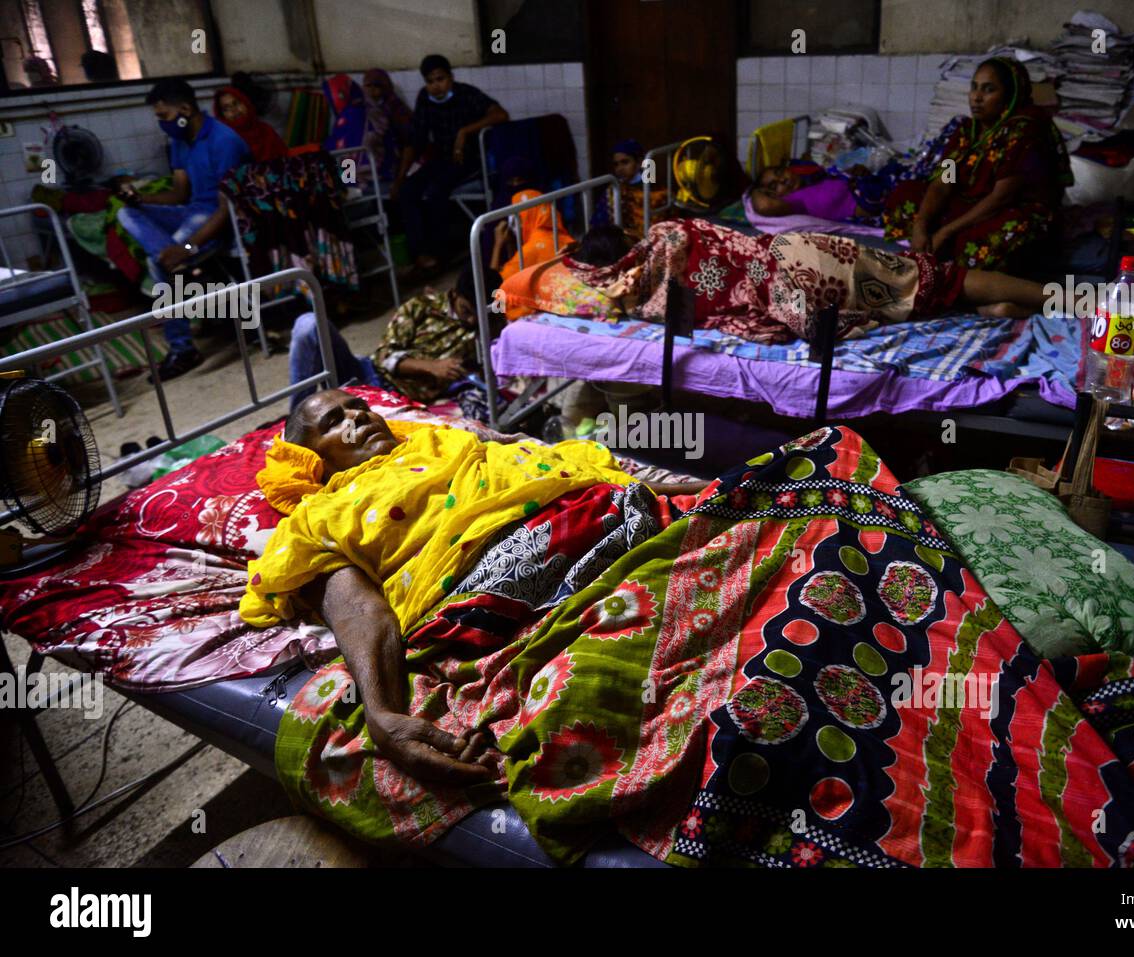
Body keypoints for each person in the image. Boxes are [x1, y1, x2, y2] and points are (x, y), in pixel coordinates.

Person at [239, 390, 700, 784]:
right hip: (503, 579)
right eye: (334, 422)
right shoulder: (320, 516)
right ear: (312, 459)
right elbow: (357, 609)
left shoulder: (448, 443)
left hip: (608, 516)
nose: (358, 416)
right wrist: (380, 713)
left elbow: (562, 468)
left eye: (360, 407)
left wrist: (705, 489)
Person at [564, 219, 1052, 345]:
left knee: (894, 304)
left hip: (798, 297)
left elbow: (731, 320)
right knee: (934, 277)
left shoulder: (657, 304)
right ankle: (1063, 296)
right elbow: (734, 244)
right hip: (801, 251)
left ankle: (987, 311)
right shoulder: (674, 231)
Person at [882, 56, 1072, 272]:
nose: (977, 98)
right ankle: (941, 247)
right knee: (906, 195)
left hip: (1008, 210)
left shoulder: (1025, 130)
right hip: (968, 207)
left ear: (1010, 96)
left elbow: (1001, 198)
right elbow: (944, 182)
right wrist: (921, 225)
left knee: (999, 235)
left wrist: (945, 232)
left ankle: (954, 254)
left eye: (989, 89)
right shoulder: (966, 131)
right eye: (974, 88)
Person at [116, 78, 251, 379]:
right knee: (128, 214)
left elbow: (227, 207)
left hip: (217, 220)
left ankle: (182, 348)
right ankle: (176, 262)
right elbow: (179, 193)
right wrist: (141, 199)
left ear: (185, 109)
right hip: (189, 212)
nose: (161, 123)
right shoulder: (179, 140)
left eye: (163, 116)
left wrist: (187, 247)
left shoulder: (224, 141)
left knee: (157, 262)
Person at [287, 265, 502, 409]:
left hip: (395, 400)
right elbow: (384, 356)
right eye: (467, 310)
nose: (473, 320)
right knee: (309, 324)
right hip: (367, 375)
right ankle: (295, 417)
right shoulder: (422, 307)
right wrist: (432, 366)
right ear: (454, 294)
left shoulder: (485, 327)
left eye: (479, 313)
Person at [391, 55, 509, 275]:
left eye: (441, 79)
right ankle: (421, 254)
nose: (436, 86)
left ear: (451, 77)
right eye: (430, 81)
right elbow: (414, 140)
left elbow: (500, 115)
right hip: (441, 158)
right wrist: (400, 177)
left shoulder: (466, 94)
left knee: (437, 192)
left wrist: (465, 131)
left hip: (468, 158)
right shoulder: (425, 99)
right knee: (407, 191)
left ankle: (440, 254)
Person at [490, 189, 574, 280]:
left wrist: (497, 245)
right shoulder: (566, 240)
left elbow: (493, 286)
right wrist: (511, 244)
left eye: (518, 219)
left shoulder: (528, 252)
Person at [361, 68, 414, 184]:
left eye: (377, 85)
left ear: (386, 88)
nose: (372, 90)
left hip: (388, 164)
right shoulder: (358, 108)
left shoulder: (397, 110)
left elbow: (409, 142)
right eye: (368, 85)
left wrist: (399, 178)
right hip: (359, 161)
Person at [214, 85, 287, 162]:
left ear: (246, 103)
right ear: (221, 116)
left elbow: (285, 159)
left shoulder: (266, 130)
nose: (233, 110)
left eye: (236, 103)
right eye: (226, 108)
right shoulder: (223, 141)